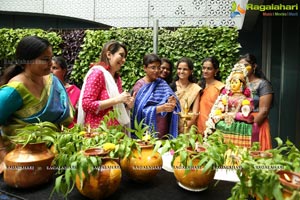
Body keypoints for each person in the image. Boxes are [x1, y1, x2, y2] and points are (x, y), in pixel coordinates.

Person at [0, 36, 73, 172]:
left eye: (51, 58)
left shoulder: (52, 82)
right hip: (22, 163)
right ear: (27, 60)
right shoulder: (14, 91)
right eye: (45, 59)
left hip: (53, 156)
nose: (51, 63)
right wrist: (3, 156)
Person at [77, 40, 134, 129]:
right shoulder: (97, 74)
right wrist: (117, 99)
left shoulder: (117, 78)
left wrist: (127, 103)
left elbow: (115, 106)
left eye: (125, 57)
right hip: (97, 133)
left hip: (116, 133)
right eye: (121, 55)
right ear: (109, 55)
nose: (124, 60)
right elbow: (86, 104)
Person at [132, 53, 181, 139]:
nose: (157, 70)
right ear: (145, 68)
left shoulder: (162, 83)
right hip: (145, 130)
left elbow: (174, 102)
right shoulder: (140, 86)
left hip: (164, 130)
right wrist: (160, 108)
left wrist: (172, 102)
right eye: (153, 67)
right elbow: (139, 111)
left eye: (158, 67)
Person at [237, 53, 273, 150]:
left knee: (255, 157)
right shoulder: (237, 84)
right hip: (240, 126)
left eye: (245, 65)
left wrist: (249, 128)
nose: (242, 68)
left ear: (254, 66)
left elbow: (264, 111)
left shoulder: (263, 84)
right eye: (240, 66)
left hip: (257, 125)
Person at [170, 57, 201, 133]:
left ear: (191, 71)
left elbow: (195, 113)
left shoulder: (195, 88)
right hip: (172, 125)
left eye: (185, 69)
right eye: (179, 69)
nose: (181, 71)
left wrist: (185, 127)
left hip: (189, 127)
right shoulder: (171, 87)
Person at [197, 57, 225, 134]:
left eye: (209, 69)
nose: (205, 71)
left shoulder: (220, 87)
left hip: (212, 127)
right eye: (204, 68)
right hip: (197, 127)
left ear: (216, 70)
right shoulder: (198, 86)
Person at [51, 56, 81, 127]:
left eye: (54, 68)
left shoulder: (75, 91)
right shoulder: (43, 90)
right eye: (49, 68)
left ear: (64, 71)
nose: (50, 71)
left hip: (70, 132)